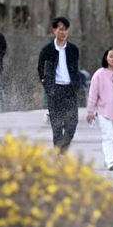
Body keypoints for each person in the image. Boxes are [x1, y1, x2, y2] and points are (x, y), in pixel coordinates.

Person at [37, 17, 81, 152]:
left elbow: (75, 69)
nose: (63, 32)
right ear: (54, 30)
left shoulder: (74, 49)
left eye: (66, 30)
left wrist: (76, 85)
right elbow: (40, 68)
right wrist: (47, 85)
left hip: (70, 90)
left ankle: (62, 151)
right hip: (55, 91)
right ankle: (60, 157)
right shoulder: (47, 50)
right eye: (60, 29)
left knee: (71, 125)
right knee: (57, 127)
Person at [86, 47, 113, 171]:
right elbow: (93, 94)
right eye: (111, 56)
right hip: (103, 111)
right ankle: (111, 161)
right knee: (108, 136)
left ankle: (107, 159)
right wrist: (90, 112)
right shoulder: (99, 74)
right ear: (106, 58)